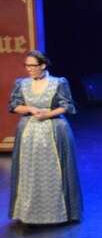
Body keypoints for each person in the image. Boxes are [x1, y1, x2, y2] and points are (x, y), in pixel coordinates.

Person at [8, 50, 83, 225]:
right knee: (29, 172)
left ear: (43, 65)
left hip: (54, 130)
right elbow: (14, 105)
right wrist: (30, 109)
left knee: (54, 171)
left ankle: (59, 213)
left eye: (32, 65)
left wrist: (47, 114)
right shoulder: (22, 84)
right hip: (28, 133)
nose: (29, 69)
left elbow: (66, 106)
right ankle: (28, 213)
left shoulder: (58, 83)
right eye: (27, 65)